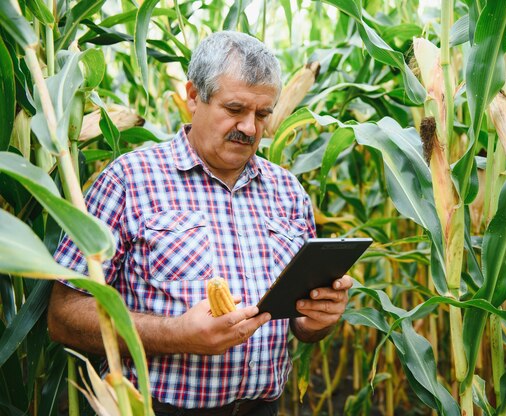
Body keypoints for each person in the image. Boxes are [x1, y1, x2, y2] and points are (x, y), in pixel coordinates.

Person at [48, 31, 353, 415]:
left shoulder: (288, 191)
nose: (249, 127)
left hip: (263, 407)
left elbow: (302, 326)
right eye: (235, 109)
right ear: (194, 96)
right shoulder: (129, 180)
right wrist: (176, 335)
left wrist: (318, 320)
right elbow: (63, 316)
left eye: (262, 114)